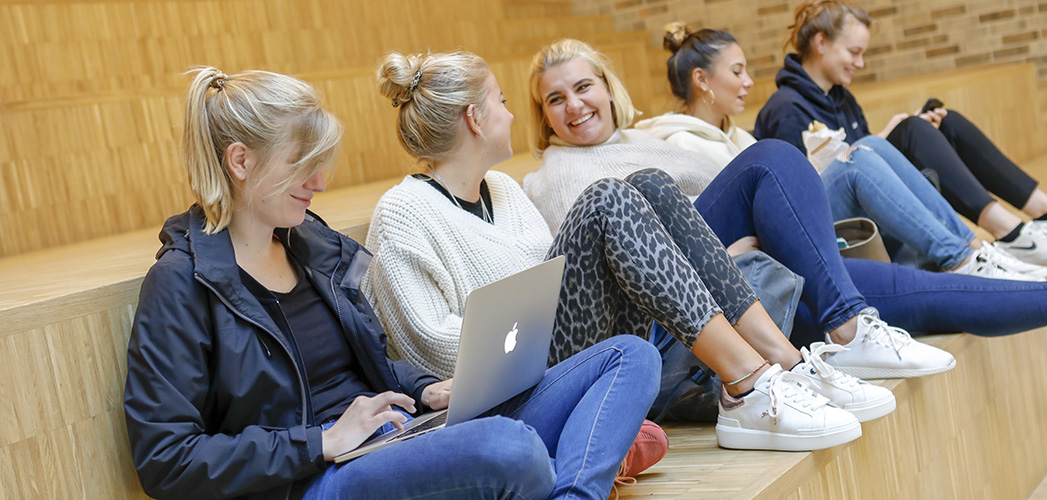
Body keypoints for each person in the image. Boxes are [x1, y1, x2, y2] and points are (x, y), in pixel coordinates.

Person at [123, 66, 662, 500]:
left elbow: (368, 359)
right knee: (512, 449)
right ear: (240, 161)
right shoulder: (180, 284)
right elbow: (166, 461)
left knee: (632, 356)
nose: (321, 182)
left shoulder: (311, 245)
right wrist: (320, 442)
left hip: (394, 434)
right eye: (302, 165)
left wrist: (422, 386)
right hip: (316, 477)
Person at [363, 50, 892, 452]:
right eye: (501, 102)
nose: (510, 114)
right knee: (607, 198)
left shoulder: (501, 191)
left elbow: (555, 284)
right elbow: (429, 351)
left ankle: (781, 362)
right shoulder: (402, 214)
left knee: (651, 184)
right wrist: (524, 323)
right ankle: (746, 386)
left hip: (554, 349)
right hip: (506, 390)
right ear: (475, 120)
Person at [522, 37, 1047, 357]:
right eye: (555, 99)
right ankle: (851, 320)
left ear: (607, 87)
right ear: (542, 115)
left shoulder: (646, 138)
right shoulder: (556, 175)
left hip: (771, 272)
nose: (574, 106)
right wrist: (737, 246)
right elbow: (617, 262)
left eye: (583, 87)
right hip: (702, 307)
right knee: (775, 158)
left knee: (932, 297)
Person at [636, 23, 1047, 281]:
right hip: (770, 244)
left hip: (791, 222)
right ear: (702, 80)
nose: (748, 82)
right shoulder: (682, 143)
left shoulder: (739, 137)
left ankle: (971, 251)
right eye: (737, 71)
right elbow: (725, 226)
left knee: (873, 147)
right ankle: (963, 256)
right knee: (861, 156)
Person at [754, 0, 1047, 266]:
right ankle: (1010, 233)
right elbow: (804, 190)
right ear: (821, 43)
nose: (861, 63)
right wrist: (889, 135)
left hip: (867, 196)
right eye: (854, 52)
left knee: (945, 122)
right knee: (909, 131)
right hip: (827, 224)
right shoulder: (786, 108)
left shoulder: (842, 98)